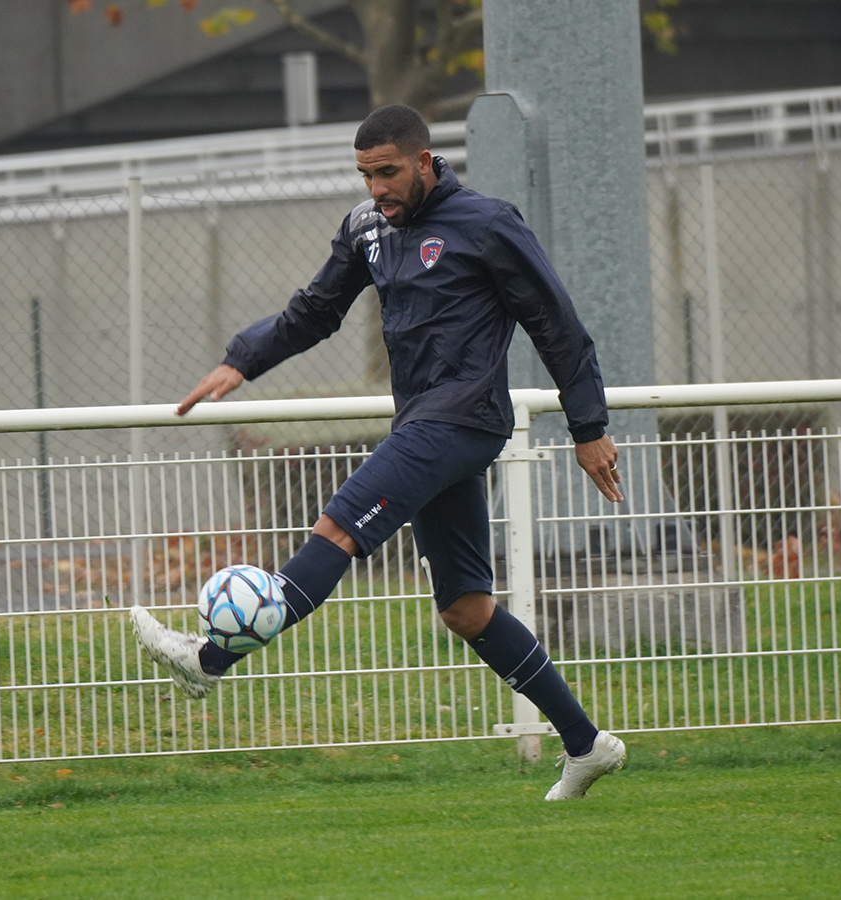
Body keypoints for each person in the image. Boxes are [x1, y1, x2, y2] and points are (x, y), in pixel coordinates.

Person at [131, 104, 626, 801]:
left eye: (388, 172)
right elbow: (315, 310)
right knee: (465, 608)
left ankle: (209, 659)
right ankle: (587, 744)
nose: (377, 189)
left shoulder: (487, 224)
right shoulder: (367, 229)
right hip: (422, 422)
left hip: (463, 419)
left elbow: (558, 326)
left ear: (425, 163)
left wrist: (588, 426)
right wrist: (243, 360)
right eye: (366, 175)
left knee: (337, 524)